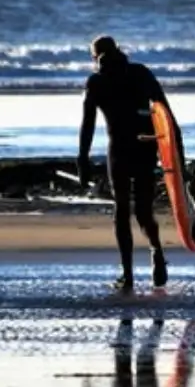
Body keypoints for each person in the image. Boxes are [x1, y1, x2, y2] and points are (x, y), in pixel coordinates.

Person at [77, 36, 169, 291]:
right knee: (143, 209)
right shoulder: (140, 73)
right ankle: (156, 250)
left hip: (119, 149)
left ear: (96, 57)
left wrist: (82, 159)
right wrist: (173, 153)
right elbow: (165, 112)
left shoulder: (96, 81)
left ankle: (127, 276)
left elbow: (88, 124)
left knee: (121, 210)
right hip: (145, 146)